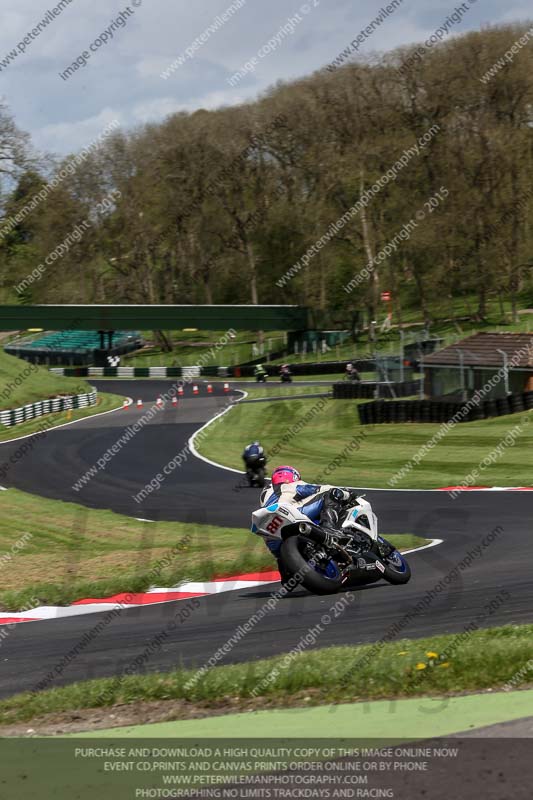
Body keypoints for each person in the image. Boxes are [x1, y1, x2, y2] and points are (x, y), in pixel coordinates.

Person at [260, 465, 356, 567]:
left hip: (271, 531)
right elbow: (321, 489)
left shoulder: (265, 493)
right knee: (331, 493)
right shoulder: (292, 485)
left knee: (280, 559)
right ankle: (330, 528)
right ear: (294, 476)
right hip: (289, 514)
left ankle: (286, 569)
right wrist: (346, 494)